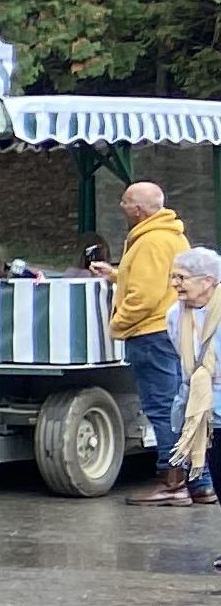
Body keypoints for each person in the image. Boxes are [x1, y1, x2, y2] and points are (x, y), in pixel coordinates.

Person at [93, 181, 195, 501]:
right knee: (180, 406)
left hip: (150, 334)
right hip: (173, 330)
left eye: (125, 202)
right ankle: (199, 482)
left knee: (162, 409)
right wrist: (114, 274)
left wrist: (117, 324)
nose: (120, 206)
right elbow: (159, 278)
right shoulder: (173, 235)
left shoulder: (149, 241)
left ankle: (173, 482)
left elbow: (145, 296)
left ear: (138, 210)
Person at [172, 249, 221, 503]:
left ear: (207, 281)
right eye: (173, 277)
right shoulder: (175, 315)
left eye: (182, 277)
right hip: (205, 414)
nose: (174, 283)